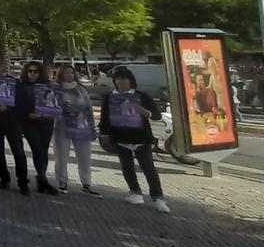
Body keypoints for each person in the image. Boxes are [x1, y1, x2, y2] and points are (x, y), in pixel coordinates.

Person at [100, 67, 169, 213]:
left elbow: (156, 116)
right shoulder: (110, 97)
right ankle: (135, 192)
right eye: (117, 79)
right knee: (127, 167)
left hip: (141, 138)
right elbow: (104, 118)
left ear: (130, 81)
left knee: (148, 168)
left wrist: (145, 112)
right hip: (120, 138)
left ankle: (158, 197)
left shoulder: (141, 96)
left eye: (123, 79)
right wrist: (104, 134)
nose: (120, 82)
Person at [0, 56, 30, 194]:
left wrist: (9, 108)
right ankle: (4, 179)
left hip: (12, 121)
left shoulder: (14, 82)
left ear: (2, 67)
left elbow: (23, 102)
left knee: (19, 152)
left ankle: (22, 181)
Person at [53, 65, 99, 197]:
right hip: (62, 127)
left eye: (71, 73)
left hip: (81, 127)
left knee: (84, 157)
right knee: (61, 156)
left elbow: (89, 109)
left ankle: (86, 183)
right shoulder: (56, 90)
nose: (69, 75)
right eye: (66, 73)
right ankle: (62, 182)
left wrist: (92, 127)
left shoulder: (81, 90)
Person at [17, 60, 58, 195]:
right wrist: (28, 113)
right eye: (30, 71)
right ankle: (42, 179)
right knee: (37, 149)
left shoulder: (48, 86)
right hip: (30, 123)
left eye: (36, 71)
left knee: (44, 151)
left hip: (46, 122)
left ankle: (42, 179)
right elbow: (17, 104)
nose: (32, 74)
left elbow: (53, 103)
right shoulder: (21, 86)